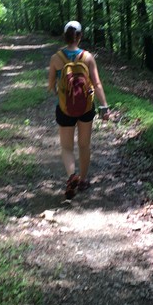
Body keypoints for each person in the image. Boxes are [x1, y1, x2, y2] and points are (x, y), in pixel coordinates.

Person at [47, 20, 109, 199]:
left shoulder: (56, 58)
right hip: (86, 108)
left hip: (65, 109)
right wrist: (104, 106)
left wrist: (59, 88)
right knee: (84, 145)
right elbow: (96, 83)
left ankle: (71, 175)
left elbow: (51, 85)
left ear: (64, 37)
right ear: (80, 37)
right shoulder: (88, 57)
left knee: (66, 147)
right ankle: (82, 180)